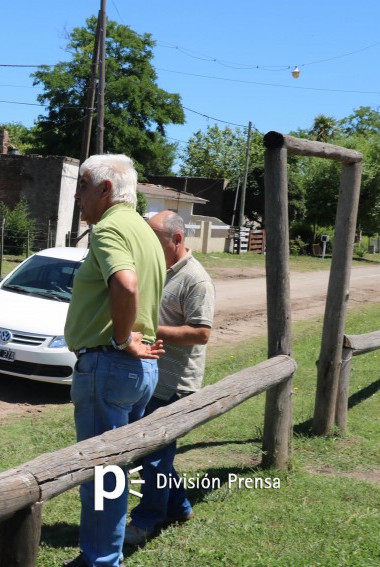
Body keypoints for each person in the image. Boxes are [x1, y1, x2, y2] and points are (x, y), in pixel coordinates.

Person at [63, 154, 166, 567]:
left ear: (106, 189)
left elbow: (126, 285)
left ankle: (102, 561)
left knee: (101, 472)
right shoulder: (142, 229)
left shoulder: (108, 230)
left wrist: (122, 338)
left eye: (83, 186)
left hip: (109, 364)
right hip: (140, 370)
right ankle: (105, 554)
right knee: (117, 469)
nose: (77, 195)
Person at [123, 210, 215, 545]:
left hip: (175, 384)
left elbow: (201, 333)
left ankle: (147, 521)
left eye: (155, 237)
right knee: (155, 454)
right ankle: (180, 507)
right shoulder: (158, 267)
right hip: (152, 378)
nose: (147, 243)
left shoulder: (196, 280)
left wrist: (147, 327)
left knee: (154, 456)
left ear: (176, 239)